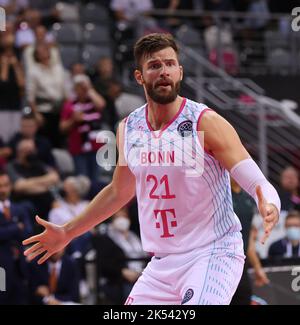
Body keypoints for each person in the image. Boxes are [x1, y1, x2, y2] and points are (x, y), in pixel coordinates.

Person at [23, 33, 280, 305]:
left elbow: (257, 182)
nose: (164, 71)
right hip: (162, 264)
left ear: (180, 72)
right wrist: (67, 232)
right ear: (139, 76)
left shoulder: (205, 122)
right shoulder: (128, 128)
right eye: (154, 66)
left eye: (170, 64)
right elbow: (118, 192)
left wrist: (270, 203)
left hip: (212, 253)